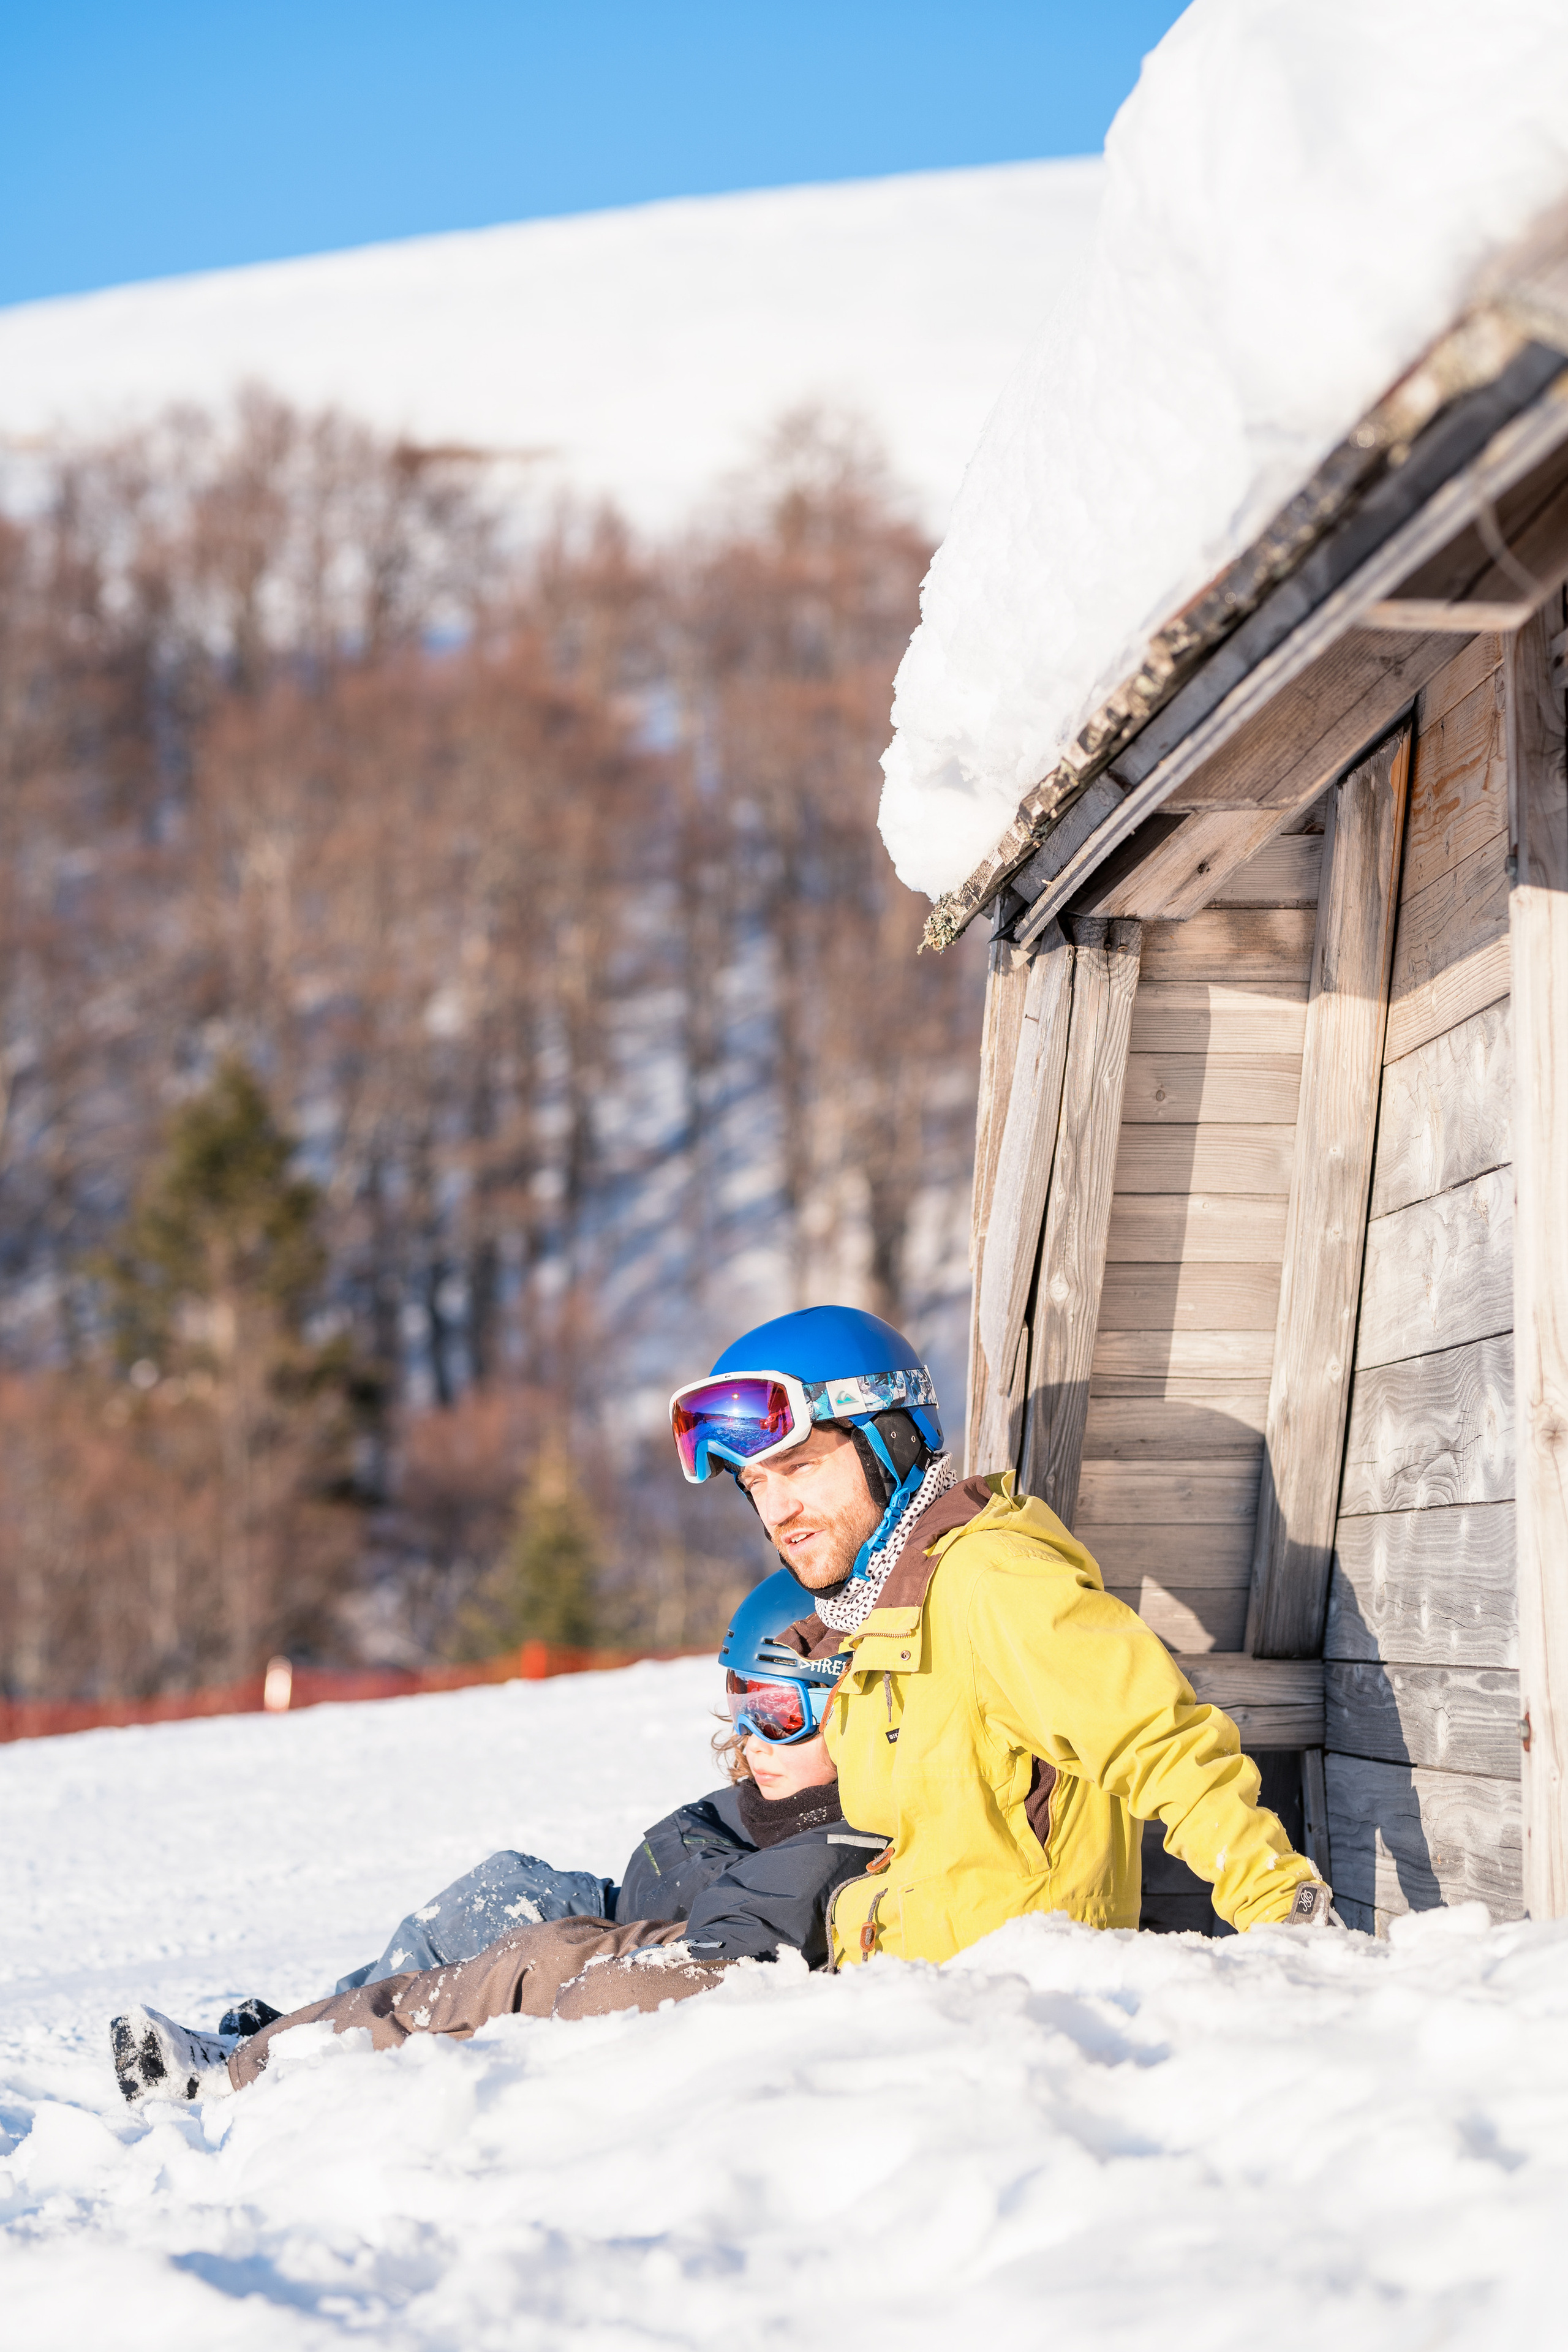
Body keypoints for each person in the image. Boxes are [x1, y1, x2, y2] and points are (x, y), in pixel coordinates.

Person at [669, 1303, 1340, 1965]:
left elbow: (1160, 1748)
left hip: (1006, 2008)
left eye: (800, 1467)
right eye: (754, 1484)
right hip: (895, 1990)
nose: (777, 1510)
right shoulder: (879, 1619)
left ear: (889, 1442)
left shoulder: (992, 1580)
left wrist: (1288, 1913)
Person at [110, 1575, 884, 2105]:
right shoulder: (790, 1784)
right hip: (623, 1903)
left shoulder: (841, 1834)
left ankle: (272, 2067)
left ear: (858, 1706)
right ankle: (317, 2020)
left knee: (494, 1963)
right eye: (742, 1702)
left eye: (782, 1711)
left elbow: (742, 1936)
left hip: (640, 1937)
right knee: (494, 1889)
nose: (752, 1739)